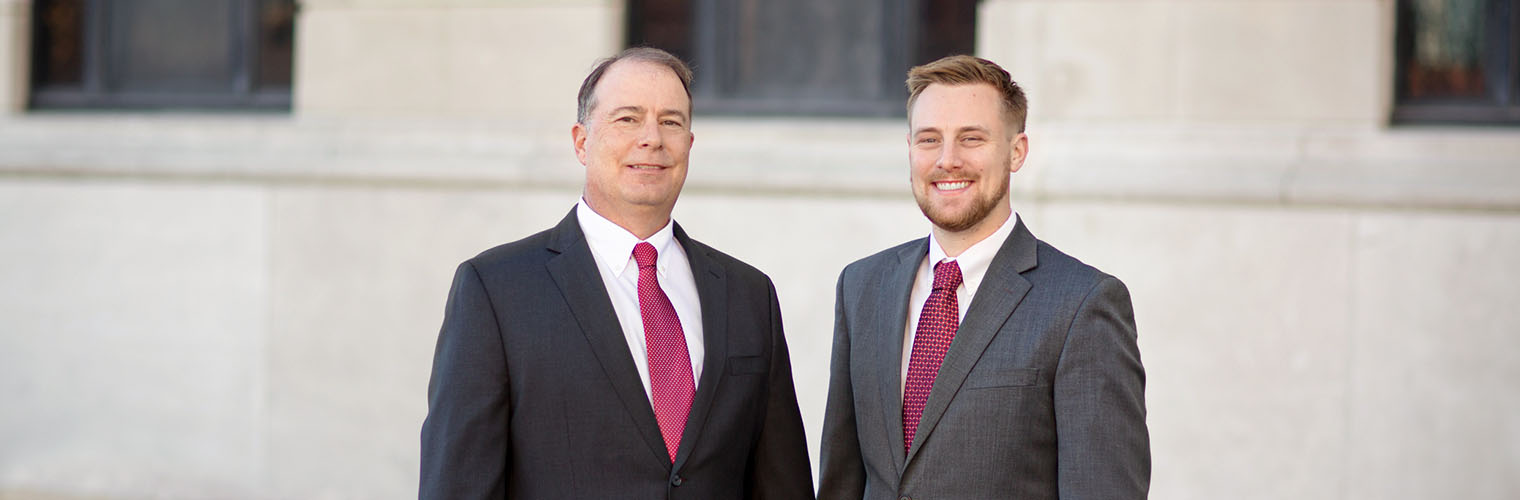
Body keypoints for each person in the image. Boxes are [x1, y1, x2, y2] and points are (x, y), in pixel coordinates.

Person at [419, 47, 814, 500]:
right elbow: (459, 485)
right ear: (582, 142)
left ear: (689, 142)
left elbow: (783, 484)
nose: (652, 138)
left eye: (671, 121)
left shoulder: (748, 294)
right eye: (628, 119)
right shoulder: (495, 290)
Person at [817, 55, 1151, 499]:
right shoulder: (863, 286)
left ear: (1016, 152)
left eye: (971, 139)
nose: (947, 160)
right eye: (929, 139)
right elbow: (843, 480)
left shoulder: (1083, 304)